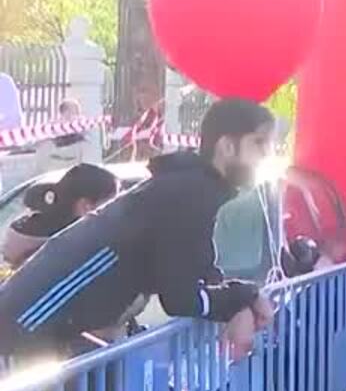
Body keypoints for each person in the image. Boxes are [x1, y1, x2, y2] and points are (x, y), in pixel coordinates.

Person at [0, 99, 277, 359]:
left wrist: (242, 301)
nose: (267, 153)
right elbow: (181, 299)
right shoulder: (189, 193)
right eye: (260, 143)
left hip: (49, 336)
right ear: (227, 146)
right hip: (27, 332)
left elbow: (200, 271)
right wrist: (244, 297)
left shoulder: (192, 187)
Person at [2, 163, 118, 268]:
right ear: (85, 206)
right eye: (111, 202)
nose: (117, 209)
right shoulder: (72, 252)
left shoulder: (23, 234)